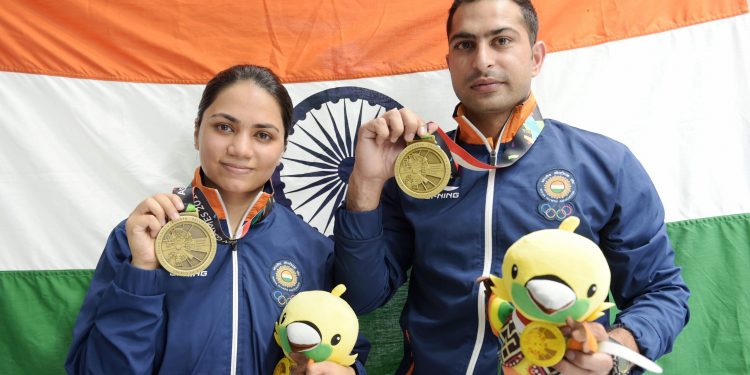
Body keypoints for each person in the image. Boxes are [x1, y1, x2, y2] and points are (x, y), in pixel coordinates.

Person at [333, 1, 689, 374]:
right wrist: (366, 183)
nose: (482, 60)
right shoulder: (415, 170)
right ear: (450, 60)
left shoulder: (606, 164)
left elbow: (662, 292)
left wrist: (615, 351)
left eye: (501, 40)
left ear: (536, 57)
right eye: (465, 45)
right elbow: (362, 296)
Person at [65, 64, 368, 375]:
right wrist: (142, 270)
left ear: (283, 148)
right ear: (197, 132)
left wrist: (350, 372)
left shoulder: (313, 249)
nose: (240, 149)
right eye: (224, 127)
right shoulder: (142, 236)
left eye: (263, 135)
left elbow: (344, 349)